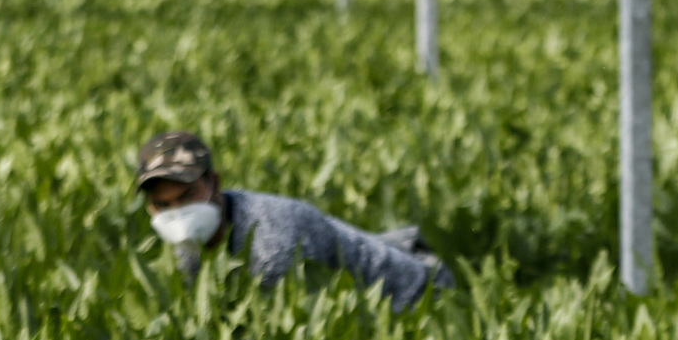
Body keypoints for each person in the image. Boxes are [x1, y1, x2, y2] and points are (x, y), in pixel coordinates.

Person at [134, 131, 449, 311]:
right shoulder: (188, 243)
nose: (176, 212)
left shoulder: (273, 240)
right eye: (162, 204)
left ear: (215, 184)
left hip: (417, 297)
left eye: (188, 196)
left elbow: (294, 327)